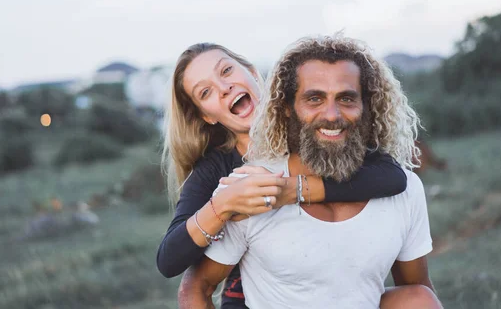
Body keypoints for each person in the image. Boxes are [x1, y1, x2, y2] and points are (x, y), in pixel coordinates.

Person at [178, 35, 442, 309]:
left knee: (418, 300)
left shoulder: (403, 188)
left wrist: (296, 190)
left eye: (347, 98)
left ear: (367, 107)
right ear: (288, 109)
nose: (331, 114)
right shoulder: (249, 189)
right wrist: (220, 206)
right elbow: (195, 286)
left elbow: (417, 287)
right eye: (314, 99)